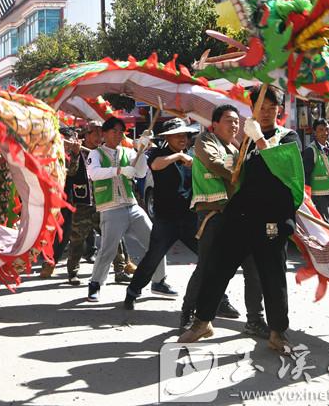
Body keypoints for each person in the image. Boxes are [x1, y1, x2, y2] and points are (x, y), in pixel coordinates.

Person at [180, 86, 303, 354]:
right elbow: (238, 176)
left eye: (273, 108)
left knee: (272, 276)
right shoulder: (245, 140)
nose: (268, 113)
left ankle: (277, 332)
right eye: (263, 108)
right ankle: (202, 321)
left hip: (273, 217)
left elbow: (283, 169)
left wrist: (259, 137)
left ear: (279, 110)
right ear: (254, 109)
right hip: (242, 215)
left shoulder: (288, 136)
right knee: (217, 265)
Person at [179, 105, 268, 337]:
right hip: (213, 214)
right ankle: (188, 315)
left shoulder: (238, 147)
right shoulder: (204, 140)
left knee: (252, 267)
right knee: (207, 267)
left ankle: (255, 319)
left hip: (239, 215)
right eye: (229, 120)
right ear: (215, 124)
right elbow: (213, 163)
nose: (234, 125)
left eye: (237, 121)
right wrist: (239, 172)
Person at [85, 117, 163, 302]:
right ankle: (95, 283)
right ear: (104, 133)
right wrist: (119, 170)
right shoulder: (95, 154)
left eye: (121, 132)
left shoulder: (128, 152)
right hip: (110, 208)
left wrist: (142, 151)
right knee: (108, 250)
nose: (118, 135)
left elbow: (141, 172)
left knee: (156, 241)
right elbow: (94, 174)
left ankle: (159, 281)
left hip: (132, 205)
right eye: (114, 131)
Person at [123, 118, 199, 309]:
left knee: (208, 256)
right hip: (166, 220)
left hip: (189, 218)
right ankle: (132, 292)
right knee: (153, 258)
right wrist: (179, 157)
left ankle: (219, 299)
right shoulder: (159, 153)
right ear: (168, 137)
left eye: (185, 135)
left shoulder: (192, 155)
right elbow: (155, 165)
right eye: (178, 135)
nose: (183, 138)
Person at [50, 121, 132, 284]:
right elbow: (71, 173)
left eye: (101, 132)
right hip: (83, 203)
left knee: (114, 237)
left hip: (106, 202)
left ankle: (120, 270)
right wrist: (74, 154)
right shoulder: (77, 152)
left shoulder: (105, 152)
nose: (99, 136)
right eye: (94, 133)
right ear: (85, 135)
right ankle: (73, 273)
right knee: (77, 240)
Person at [303, 118, 329, 227]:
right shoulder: (310, 151)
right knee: (325, 226)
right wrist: (307, 198)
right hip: (319, 195)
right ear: (314, 132)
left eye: (327, 129)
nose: (325, 133)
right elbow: (305, 174)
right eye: (321, 130)